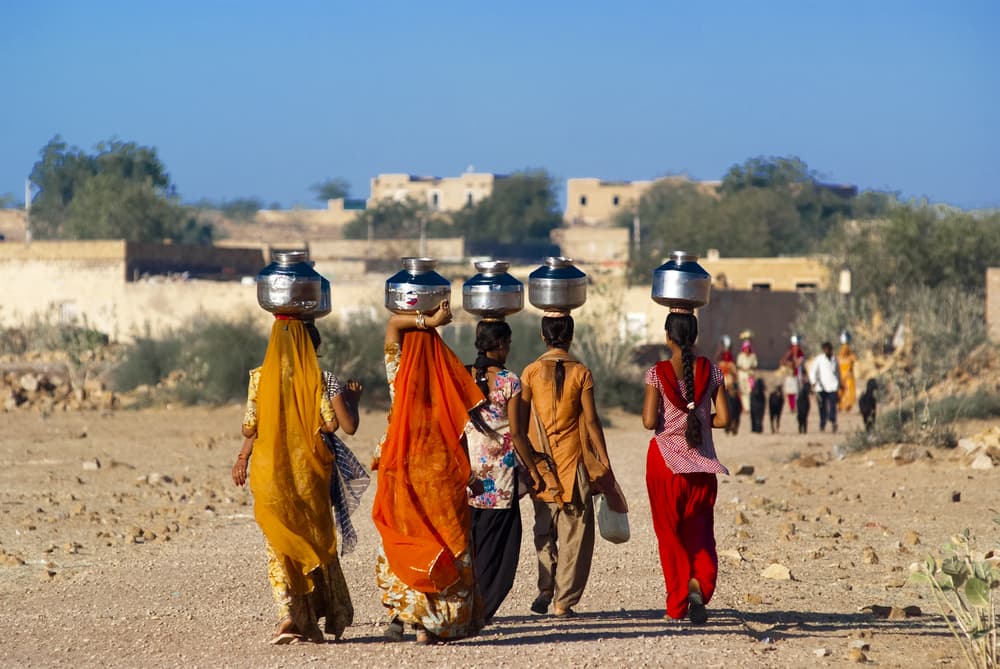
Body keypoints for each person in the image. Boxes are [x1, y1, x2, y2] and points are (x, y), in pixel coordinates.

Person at [232, 315, 352, 644]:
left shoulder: (259, 378)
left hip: (270, 474)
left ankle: (288, 614)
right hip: (308, 475)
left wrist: (243, 456)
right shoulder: (316, 378)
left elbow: (249, 427)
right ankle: (316, 613)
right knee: (313, 540)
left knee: (278, 542)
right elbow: (331, 424)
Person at [371, 300, 486, 644]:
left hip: (402, 467)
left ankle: (405, 614)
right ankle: (429, 626)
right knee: (444, 541)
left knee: (408, 539)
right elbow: (459, 430)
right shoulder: (446, 376)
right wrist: (469, 475)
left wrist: (427, 320)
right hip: (440, 470)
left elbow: (394, 324)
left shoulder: (398, 371)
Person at [518, 311, 615, 618]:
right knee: (575, 536)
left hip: (541, 466)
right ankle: (563, 602)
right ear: (571, 337)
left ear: (543, 336)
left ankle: (546, 586)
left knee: (543, 529)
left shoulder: (531, 372)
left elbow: (520, 423)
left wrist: (527, 463)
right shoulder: (582, 373)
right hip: (573, 465)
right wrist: (604, 459)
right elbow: (592, 421)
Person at [642, 308, 730, 624]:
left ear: (668, 337)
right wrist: (701, 421)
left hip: (666, 466)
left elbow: (649, 421)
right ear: (695, 336)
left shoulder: (657, 373)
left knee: (670, 535)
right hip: (702, 468)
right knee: (700, 533)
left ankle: (677, 604)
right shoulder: (713, 372)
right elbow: (725, 418)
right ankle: (698, 585)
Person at [463, 319, 545, 622]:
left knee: (471, 545)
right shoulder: (509, 381)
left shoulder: (462, 375)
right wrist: (534, 471)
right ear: (499, 344)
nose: (508, 349)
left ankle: (463, 606)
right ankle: (479, 610)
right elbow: (517, 434)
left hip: (469, 477)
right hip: (500, 482)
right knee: (500, 552)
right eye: (507, 344)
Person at [809, 341, 841, 433]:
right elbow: (812, 371)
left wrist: (839, 383)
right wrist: (813, 382)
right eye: (825, 349)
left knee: (833, 406)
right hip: (821, 387)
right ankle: (822, 424)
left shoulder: (835, 359)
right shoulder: (819, 359)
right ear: (823, 350)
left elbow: (838, 373)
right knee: (822, 407)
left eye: (829, 349)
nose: (827, 351)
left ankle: (833, 421)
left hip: (833, 386)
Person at [779, 335, 806, 412]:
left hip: (798, 375)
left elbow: (798, 363)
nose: (796, 347)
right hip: (789, 375)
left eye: (797, 346)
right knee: (790, 392)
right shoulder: (789, 352)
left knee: (797, 391)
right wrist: (788, 363)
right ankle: (792, 407)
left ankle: (798, 406)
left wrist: (792, 363)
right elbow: (783, 361)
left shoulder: (800, 353)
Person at [735, 331, 758, 413]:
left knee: (749, 391)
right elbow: (738, 365)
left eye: (748, 348)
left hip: (749, 375)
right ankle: (745, 407)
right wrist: (743, 369)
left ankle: (749, 407)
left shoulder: (753, 356)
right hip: (742, 376)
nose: (747, 350)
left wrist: (749, 368)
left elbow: (755, 365)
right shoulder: (740, 356)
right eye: (746, 348)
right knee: (743, 391)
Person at [837, 331, 857, 413]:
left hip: (846, 375)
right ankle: (842, 405)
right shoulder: (843, 352)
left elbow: (853, 359)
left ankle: (846, 405)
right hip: (843, 375)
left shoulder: (849, 353)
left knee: (848, 391)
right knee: (842, 391)